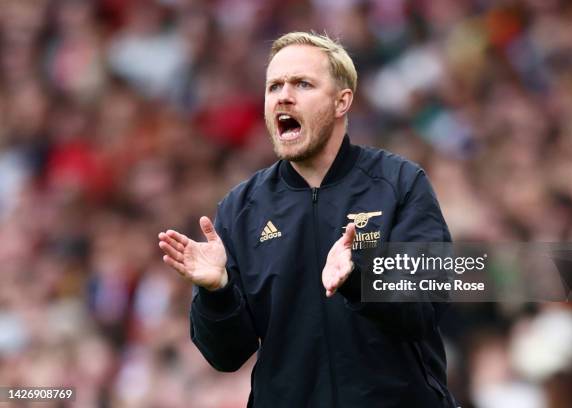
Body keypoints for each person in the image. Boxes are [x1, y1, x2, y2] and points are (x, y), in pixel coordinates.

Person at [158, 32, 456, 407]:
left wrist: (358, 278)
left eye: (302, 83)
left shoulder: (399, 184)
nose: (283, 95)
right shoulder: (241, 208)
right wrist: (216, 292)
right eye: (274, 86)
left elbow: (427, 307)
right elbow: (226, 356)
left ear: (341, 101)